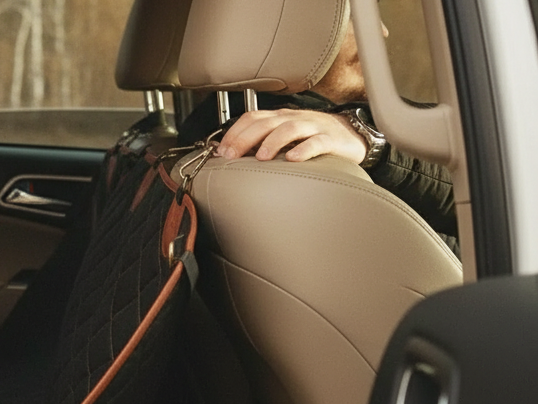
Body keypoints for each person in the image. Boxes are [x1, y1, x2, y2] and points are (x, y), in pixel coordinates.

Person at [176, 17, 458, 250]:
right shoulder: (304, 158)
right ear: (282, 21)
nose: (382, 30)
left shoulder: (199, 130)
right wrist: (373, 139)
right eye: (352, 8)